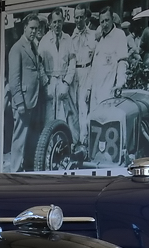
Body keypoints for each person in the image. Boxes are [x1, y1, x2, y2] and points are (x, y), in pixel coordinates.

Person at [83, 5, 129, 149]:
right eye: (102, 21)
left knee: (108, 124)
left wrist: (120, 84)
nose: (104, 24)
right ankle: (93, 151)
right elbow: (94, 67)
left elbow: (122, 62)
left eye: (107, 20)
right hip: (96, 91)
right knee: (94, 122)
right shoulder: (100, 39)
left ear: (112, 19)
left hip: (109, 90)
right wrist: (89, 89)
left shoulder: (119, 35)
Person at [7, 13, 46, 171]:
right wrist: (20, 103)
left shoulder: (33, 46)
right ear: (25, 28)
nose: (34, 31)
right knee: (19, 138)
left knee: (31, 137)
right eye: (31, 28)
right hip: (23, 102)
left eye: (36, 28)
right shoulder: (17, 48)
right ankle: (15, 170)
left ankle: (27, 168)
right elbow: (14, 80)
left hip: (34, 99)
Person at [38, 8, 77, 137]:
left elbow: (72, 62)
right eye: (54, 22)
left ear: (63, 21)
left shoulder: (68, 39)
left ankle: (64, 142)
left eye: (59, 21)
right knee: (49, 117)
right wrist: (46, 83)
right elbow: (39, 65)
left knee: (65, 115)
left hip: (63, 82)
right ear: (50, 23)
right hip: (50, 82)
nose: (57, 25)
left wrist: (67, 82)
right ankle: (49, 143)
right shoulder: (44, 40)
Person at [69, 4, 97, 150]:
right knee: (74, 106)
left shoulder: (93, 35)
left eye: (81, 17)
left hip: (87, 70)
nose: (79, 20)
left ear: (86, 18)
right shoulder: (71, 38)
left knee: (84, 105)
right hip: (75, 72)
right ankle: (75, 139)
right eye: (76, 17)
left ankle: (84, 139)